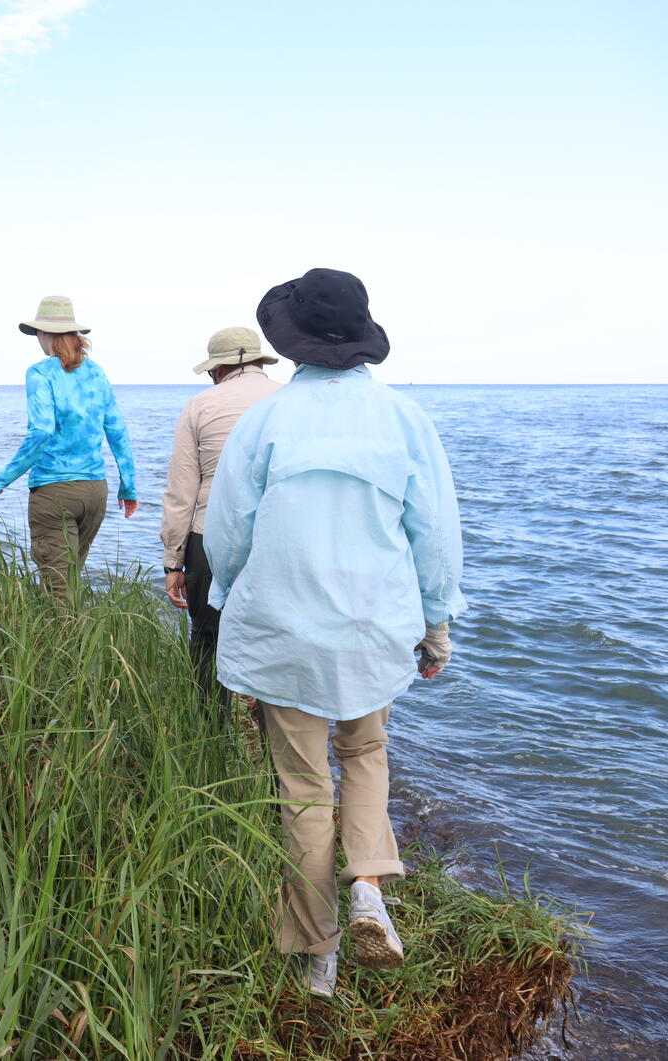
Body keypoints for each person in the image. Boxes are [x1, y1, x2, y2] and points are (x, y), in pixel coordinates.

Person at [204, 268, 464, 998]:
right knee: (367, 750)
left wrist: (228, 600)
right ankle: (369, 890)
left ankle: (319, 958)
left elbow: (228, 533)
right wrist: (436, 622)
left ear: (295, 343)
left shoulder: (265, 420)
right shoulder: (405, 419)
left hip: (285, 629)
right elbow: (434, 534)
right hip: (375, 627)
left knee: (303, 786)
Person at [160, 326, 281, 710]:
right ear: (261, 362)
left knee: (208, 639)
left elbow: (182, 491)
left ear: (217, 370)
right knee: (274, 645)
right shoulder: (288, 399)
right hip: (278, 538)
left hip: (209, 536)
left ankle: (209, 737)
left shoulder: (200, 405)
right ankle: (274, 749)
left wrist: (173, 562)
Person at [0, 296, 138, 599]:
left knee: (58, 592)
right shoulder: (96, 372)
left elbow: (41, 431)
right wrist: (128, 486)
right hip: (96, 491)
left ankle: (64, 644)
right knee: (70, 580)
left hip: (55, 491)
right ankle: (75, 642)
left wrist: (3, 478)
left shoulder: (40, 373)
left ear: (45, 334)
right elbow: (117, 430)